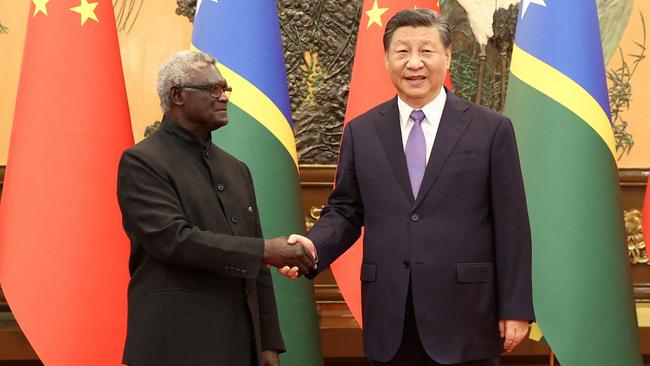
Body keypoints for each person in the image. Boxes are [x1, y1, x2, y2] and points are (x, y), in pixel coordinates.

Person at [283, 9, 534, 366]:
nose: (414, 62)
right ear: (386, 60)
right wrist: (312, 246)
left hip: (466, 316)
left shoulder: (490, 130)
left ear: (447, 56)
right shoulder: (362, 131)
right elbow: (345, 211)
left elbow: (512, 224)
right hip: (391, 317)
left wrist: (515, 307)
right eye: (402, 52)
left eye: (426, 51)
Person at [117, 50, 315, 366]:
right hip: (174, 345)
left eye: (225, 89)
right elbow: (174, 240)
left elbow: (258, 270)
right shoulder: (142, 162)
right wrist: (264, 251)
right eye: (212, 89)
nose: (223, 97)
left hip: (239, 344)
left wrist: (268, 343)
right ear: (178, 95)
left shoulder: (236, 169)